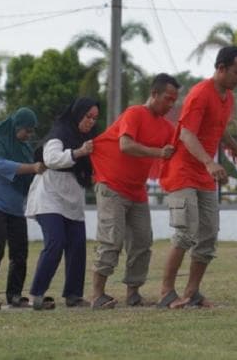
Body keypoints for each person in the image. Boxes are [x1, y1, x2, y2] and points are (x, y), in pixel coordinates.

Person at [157, 46, 237, 308]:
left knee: (208, 235)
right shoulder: (200, 94)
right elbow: (187, 134)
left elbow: (217, 128)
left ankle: (192, 292)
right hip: (183, 171)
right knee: (185, 233)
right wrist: (210, 162)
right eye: (235, 72)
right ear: (220, 68)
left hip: (204, 174)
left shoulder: (227, 97)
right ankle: (166, 293)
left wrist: (234, 147)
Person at [89, 74, 179, 309]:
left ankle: (133, 294)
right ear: (154, 94)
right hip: (111, 184)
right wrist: (158, 153)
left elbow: (180, 144)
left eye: (174, 101)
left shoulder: (166, 127)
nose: (170, 105)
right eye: (168, 99)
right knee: (112, 239)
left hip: (136, 191)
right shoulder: (134, 113)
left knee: (142, 240)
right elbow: (125, 145)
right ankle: (97, 295)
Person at [25, 98, 99, 309]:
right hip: (49, 197)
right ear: (78, 114)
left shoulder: (90, 138)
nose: (91, 122)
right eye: (88, 116)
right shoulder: (60, 133)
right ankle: (36, 294)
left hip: (73, 199)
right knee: (56, 242)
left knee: (77, 246)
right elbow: (51, 159)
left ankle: (73, 295)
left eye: (94, 118)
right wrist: (78, 152)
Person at [0, 107, 45, 310]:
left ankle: (14, 295)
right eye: (26, 130)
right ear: (16, 125)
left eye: (32, 131)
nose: (28, 135)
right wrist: (32, 168)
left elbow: (30, 176)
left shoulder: (23, 148)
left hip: (14, 206)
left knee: (20, 252)